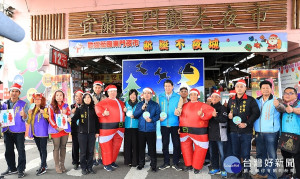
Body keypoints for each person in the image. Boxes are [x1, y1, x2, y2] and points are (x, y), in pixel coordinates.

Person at [227, 79, 260, 179]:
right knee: (235, 152)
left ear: (245, 88)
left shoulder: (250, 100)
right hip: (233, 131)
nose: (239, 88)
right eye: (238, 86)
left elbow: (256, 113)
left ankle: (246, 172)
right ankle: (237, 171)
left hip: (246, 131)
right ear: (235, 88)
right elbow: (229, 112)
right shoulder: (231, 100)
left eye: (242, 86)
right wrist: (229, 116)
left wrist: (246, 123)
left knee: (245, 153)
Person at [179, 88, 215, 174]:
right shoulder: (184, 105)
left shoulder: (203, 105)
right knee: (186, 148)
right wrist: (180, 127)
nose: (192, 96)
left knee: (200, 149)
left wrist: (202, 114)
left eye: (194, 94)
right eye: (191, 94)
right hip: (185, 130)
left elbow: (211, 112)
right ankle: (189, 164)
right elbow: (181, 117)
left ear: (198, 96)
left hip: (199, 131)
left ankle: (197, 167)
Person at [251, 81, 281, 179]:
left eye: (267, 88)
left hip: (271, 132)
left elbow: (283, 109)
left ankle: (271, 175)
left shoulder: (276, 100)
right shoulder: (257, 100)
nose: (265, 90)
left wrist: (278, 105)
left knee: (272, 155)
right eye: (263, 88)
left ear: (271, 88)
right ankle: (262, 173)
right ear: (260, 90)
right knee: (260, 154)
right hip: (259, 132)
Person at [1, 83, 28, 178]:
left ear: (19, 93)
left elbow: (27, 118)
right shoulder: (4, 104)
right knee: (8, 151)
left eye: (16, 91)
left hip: (19, 131)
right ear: (9, 92)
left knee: (21, 150)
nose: (14, 93)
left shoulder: (24, 104)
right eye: (12, 91)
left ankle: (21, 169)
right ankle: (11, 168)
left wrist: (24, 115)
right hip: (6, 131)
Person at [95, 84, 125, 171]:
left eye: (114, 91)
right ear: (108, 92)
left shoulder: (121, 103)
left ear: (116, 92)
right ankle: (106, 163)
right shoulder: (102, 103)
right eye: (111, 91)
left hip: (119, 128)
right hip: (107, 129)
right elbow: (97, 108)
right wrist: (103, 113)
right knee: (106, 147)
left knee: (116, 147)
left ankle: (112, 161)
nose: (113, 93)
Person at [72, 92, 100, 175]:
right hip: (82, 134)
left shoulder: (93, 109)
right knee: (83, 152)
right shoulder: (79, 109)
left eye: (89, 97)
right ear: (83, 100)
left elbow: (97, 122)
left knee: (91, 151)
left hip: (92, 134)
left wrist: (97, 132)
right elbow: (73, 120)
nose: (87, 99)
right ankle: (83, 168)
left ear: (91, 99)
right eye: (85, 98)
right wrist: (78, 129)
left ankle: (90, 167)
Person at [134, 87, 160, 172]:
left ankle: (153, 165)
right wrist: (142, 109)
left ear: (151, 95)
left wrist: (152, 120)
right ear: (143, 95)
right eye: (145, 93)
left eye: (148, 93)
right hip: (141, 130)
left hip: (151, 130)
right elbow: (135, 115)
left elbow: (158, 115)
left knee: (152, 148)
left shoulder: (155, 105)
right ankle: (141, 164)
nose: (147, 95)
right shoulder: (139, 104)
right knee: (141, 148)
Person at [158, 80, 182, 171]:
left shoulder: (178, 97)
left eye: (169, 86)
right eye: (165, 86)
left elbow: (180, 108)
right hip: (164, 124)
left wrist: (178, 112)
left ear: (172, 87)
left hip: (175, 124)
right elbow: (158, 109)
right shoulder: (160, 96)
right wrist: (159, 117)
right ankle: (166, 162)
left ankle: (176, 163)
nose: (167, 88)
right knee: (165, 144)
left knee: (176, 144)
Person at [277, 87, 300, 179]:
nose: (287, 95)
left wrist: (293, 110)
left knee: (297, 157)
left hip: (297, 136)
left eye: (290, 93)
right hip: (285, 135)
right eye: (285, 93)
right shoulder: (283, 105)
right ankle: (288, 174)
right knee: (286, 157)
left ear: (295, 95)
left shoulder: (298, 103)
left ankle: (298, 175)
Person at [48, 89, 71, 174]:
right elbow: (50, 118)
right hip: (56, 130)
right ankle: (57, 165)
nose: (59, 97)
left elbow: (69, 114)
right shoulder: (51, 106)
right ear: (54, 96)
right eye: (57, 95)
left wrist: (67, 114)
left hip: (64, 129)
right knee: (56, 147)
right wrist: (56, 127)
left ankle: (62, 164)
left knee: (63, 146)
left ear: (63, 97)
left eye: (60, 95)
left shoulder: (66, 105)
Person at [27, 93, 49, 176]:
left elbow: (49, 118)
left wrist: (44, 113)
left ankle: (43, 167)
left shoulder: (45, 108)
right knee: (40, 150)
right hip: (35, 132)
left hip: (43, 132)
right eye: (35, 99)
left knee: (43, 150)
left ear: (42, 100)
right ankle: (44, 164)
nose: (37, 100)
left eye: (39, 99)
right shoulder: (32, 109)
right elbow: (28, 122)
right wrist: (29, 114)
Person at [208, 90, 228, 178]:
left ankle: (224, 169)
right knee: (213, 153)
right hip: (211, 134)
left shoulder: (223, 108)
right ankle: (215, 167)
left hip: (220, 134)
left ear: (219, 98)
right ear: (210, 98)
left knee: (223, 153)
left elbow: (224, 120)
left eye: (216, 97)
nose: (214, 98)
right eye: (212, 97)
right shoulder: (208, 108)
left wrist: (216, 116)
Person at [123, 89, 139, 167]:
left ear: (136, 96)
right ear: (129, 96)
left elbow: (141, 114)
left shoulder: (139, 104)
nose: (132, 96)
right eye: (131, 94)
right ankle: (128, 161)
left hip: (136, 127)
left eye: (134, 94)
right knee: (127, 144)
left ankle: (135, 161)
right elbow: (121, 114)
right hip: (127, 127)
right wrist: (124, 111)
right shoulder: (125, 104)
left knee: (135, 145)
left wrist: (135, 116)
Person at [91, 81, 106, 166]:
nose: (97, 89)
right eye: (96, 87)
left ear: (101, 88)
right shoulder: (90, 97)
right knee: (93, 140)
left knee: (101, 140)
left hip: (103, 120)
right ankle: (93, 158)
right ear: (93, 88)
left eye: (99, 87)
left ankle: (100, 158)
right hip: (93, 120)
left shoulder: (104, 97)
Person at [70, 90, 83, 170]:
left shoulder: (85, 106)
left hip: (83, 130)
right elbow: (68, 117)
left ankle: (83, 161)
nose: (78, 98)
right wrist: (72, 113)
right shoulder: (71, 106)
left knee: (83, 147)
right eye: (76, 96)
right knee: (75, 146)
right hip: (75, 130)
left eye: (80, 96)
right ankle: (75, 162)